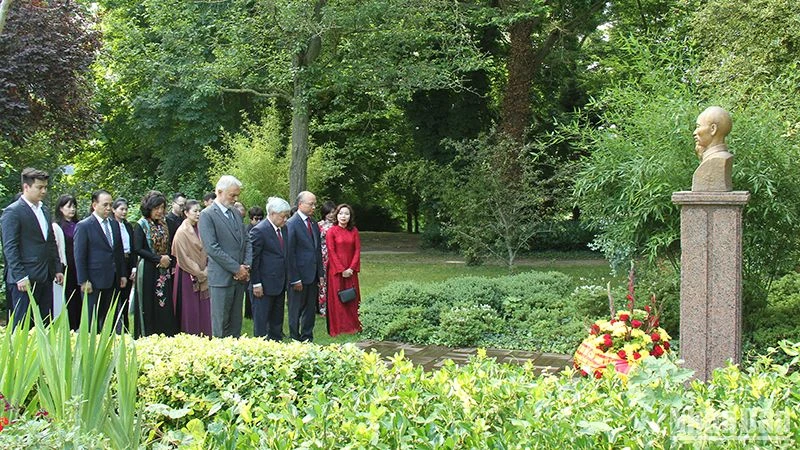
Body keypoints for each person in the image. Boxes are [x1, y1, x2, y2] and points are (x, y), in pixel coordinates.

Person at [1, 168, 63, 328]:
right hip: (24, 278)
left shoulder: (44, 210)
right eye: (39, 187)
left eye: (45, 187)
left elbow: (50, 241)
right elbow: (10, 247)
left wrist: (57, 268)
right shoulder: (12, 212)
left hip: (45, 275)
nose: (44, 191)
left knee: (44, 324)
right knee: (22, 326)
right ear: (26, 187)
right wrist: (19, 275)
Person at [198, 175, 251, 338]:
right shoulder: (207, 215)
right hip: (221, 279)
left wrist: (246, 266)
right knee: (220, 326)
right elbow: (212, 248)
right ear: (219, 192)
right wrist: (236, 268)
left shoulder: (235, 212)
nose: (236, 199)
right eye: (232, 195)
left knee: (236, 325)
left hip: (239, 278)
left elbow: (246, 239)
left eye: (237, 195)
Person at [73, 190, 127, 330]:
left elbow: (118, 251)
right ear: (94, 205)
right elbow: (79, 256)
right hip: (94, 280)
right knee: (92, 320)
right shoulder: (84, 226)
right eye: (105, 205)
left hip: (113, 278)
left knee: (112, 318)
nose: (109, 208)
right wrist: (83, 280)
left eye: (110, 204)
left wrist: (122, 274)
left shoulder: (114, 224)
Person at [133, 191, 179, 337]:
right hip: (147, 268)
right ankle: (148, 333)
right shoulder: (141, 225)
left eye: (162, 208)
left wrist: (167, 261)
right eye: (156, 208)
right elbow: (138, 248)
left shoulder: (165, 224)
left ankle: (165, 332)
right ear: (149, 208)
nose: (160, 211)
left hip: (163, 269)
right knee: (148, 302)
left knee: (163, 301)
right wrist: (157, 259)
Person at [249, 197, 291, 340]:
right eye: (283, 216)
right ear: (272, 213)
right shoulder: (259, 231)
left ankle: (276, 344)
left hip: (279, 283)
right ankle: (261, 348)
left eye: (287, 216)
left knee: (277, 319)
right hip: (263, 285)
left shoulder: (283, 229)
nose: (285, 219)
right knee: (261, 321)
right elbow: (254, 260)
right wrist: (256, 283)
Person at [285, 191, 323, 342]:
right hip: (298, 276)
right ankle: (295, 337)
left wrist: (320, 273)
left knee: (309, 308)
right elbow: (290, 254)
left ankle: (307, 336)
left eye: (315, 204)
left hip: (312, 274)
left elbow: (317, 250)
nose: (314, 207)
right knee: (295, 308)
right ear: (300, 204)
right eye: (311, 204)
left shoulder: (313, 223)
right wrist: (294, 278)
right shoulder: (291, 224)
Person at [172, 199, 211, 336]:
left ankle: (206, 333)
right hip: (187, 274)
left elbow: (209, 248)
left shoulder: (202, 228)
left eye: (199, 210)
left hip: (205, 272)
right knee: (191, 307)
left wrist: (206, 270)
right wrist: (198, 272)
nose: (198, 213)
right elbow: (182, 257)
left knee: (205, 306)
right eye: (195, 211)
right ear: (186, 213)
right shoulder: (181, 232)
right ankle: (191, 333)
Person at [324, 204, 362, 336]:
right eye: (341, 213)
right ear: (336, 215)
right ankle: (340, 327)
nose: (343, 216)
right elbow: (331, 251)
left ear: (350, 216)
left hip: (351, 270)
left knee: (352, 297)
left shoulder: (354, 231)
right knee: (338, 298)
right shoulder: (331, 231)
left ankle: (353, 326)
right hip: (336, 270)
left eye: (346, 214)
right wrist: (341, 269)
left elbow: (357, 250)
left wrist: (351, 268)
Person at [52, 194, 80, 327]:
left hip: (78, 266)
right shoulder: (57, 226)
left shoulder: (78, 225)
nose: (72, 209)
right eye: (69, 206)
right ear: (61, 208)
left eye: (74, 206)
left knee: (78, 298)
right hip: (66, 265)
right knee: (68, 297)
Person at [692, 106, 733, 192]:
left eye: (698, 126)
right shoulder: (723, 157)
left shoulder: (718, 160)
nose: (694, 132)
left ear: (713, 129)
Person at [112, 198, 137, 332]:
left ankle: (126, 324)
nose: (124, 212)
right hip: (117, 263)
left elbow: (132, 248)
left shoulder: (127, 226)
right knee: (116, 296)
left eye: (126, 209)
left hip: (128, 261)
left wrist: (134, 267)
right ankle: (116, 325)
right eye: (121, 209)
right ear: (114, 210)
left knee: (126, 296)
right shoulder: (111, 225)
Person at [317, 200, 336, 316]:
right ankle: (323, 308)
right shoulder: (319, 225)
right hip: (323, 256)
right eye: (328, 212)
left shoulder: (338, 225)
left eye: (332, 212)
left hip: (335, 256)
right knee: (323, 282)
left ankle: (335, 306)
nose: (330, 214)